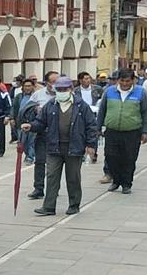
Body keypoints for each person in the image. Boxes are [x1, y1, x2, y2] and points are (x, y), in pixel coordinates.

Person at [21, 77, 98, 216]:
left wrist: (91, 145)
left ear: (71, 90)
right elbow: (40, 123)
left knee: (73, 177)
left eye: (65, 89)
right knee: (51, 176)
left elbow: (91, 126)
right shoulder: (51, 105)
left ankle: (74, 204)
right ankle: (49, 206)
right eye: (59, 90)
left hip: (74, 148)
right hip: (54, 147)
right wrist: (31, 126)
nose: (62, 92)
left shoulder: (81, 105)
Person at [95, 69, 147, 194]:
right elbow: (102, 111)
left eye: (128, 81)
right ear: (118, 80)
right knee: (111, 157)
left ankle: (126, 183)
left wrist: (146, 131)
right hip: (112, 131)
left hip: (132, 132)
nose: (125, 84)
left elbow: (146, 113)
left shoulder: (140, 93)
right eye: (122, 81)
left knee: (129, 158)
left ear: (133, 80)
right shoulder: (109, 91)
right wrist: (97, 128)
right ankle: (116, 180)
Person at [27, 71, 59, 199]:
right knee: (40, 161)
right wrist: (35, 111)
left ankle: (53, 189)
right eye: (54, 82)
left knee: (55, 165)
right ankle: (38, 188)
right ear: (47, 83)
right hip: (42, 132)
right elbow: (27, 111)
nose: (57, 85)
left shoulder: (65, 95)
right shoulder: (37, 95)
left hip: (59, 134)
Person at [11, 78, 38, 164]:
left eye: (29, 86)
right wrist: (12, 118)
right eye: (25, 86)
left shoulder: (36, 96)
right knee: (23, 142)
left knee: (31, 141)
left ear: (33, 87)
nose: (27, 88)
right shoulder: (18, 97)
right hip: (20, 123)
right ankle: (27, 154)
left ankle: (30, 157)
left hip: (32, 122)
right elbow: (13, 108)